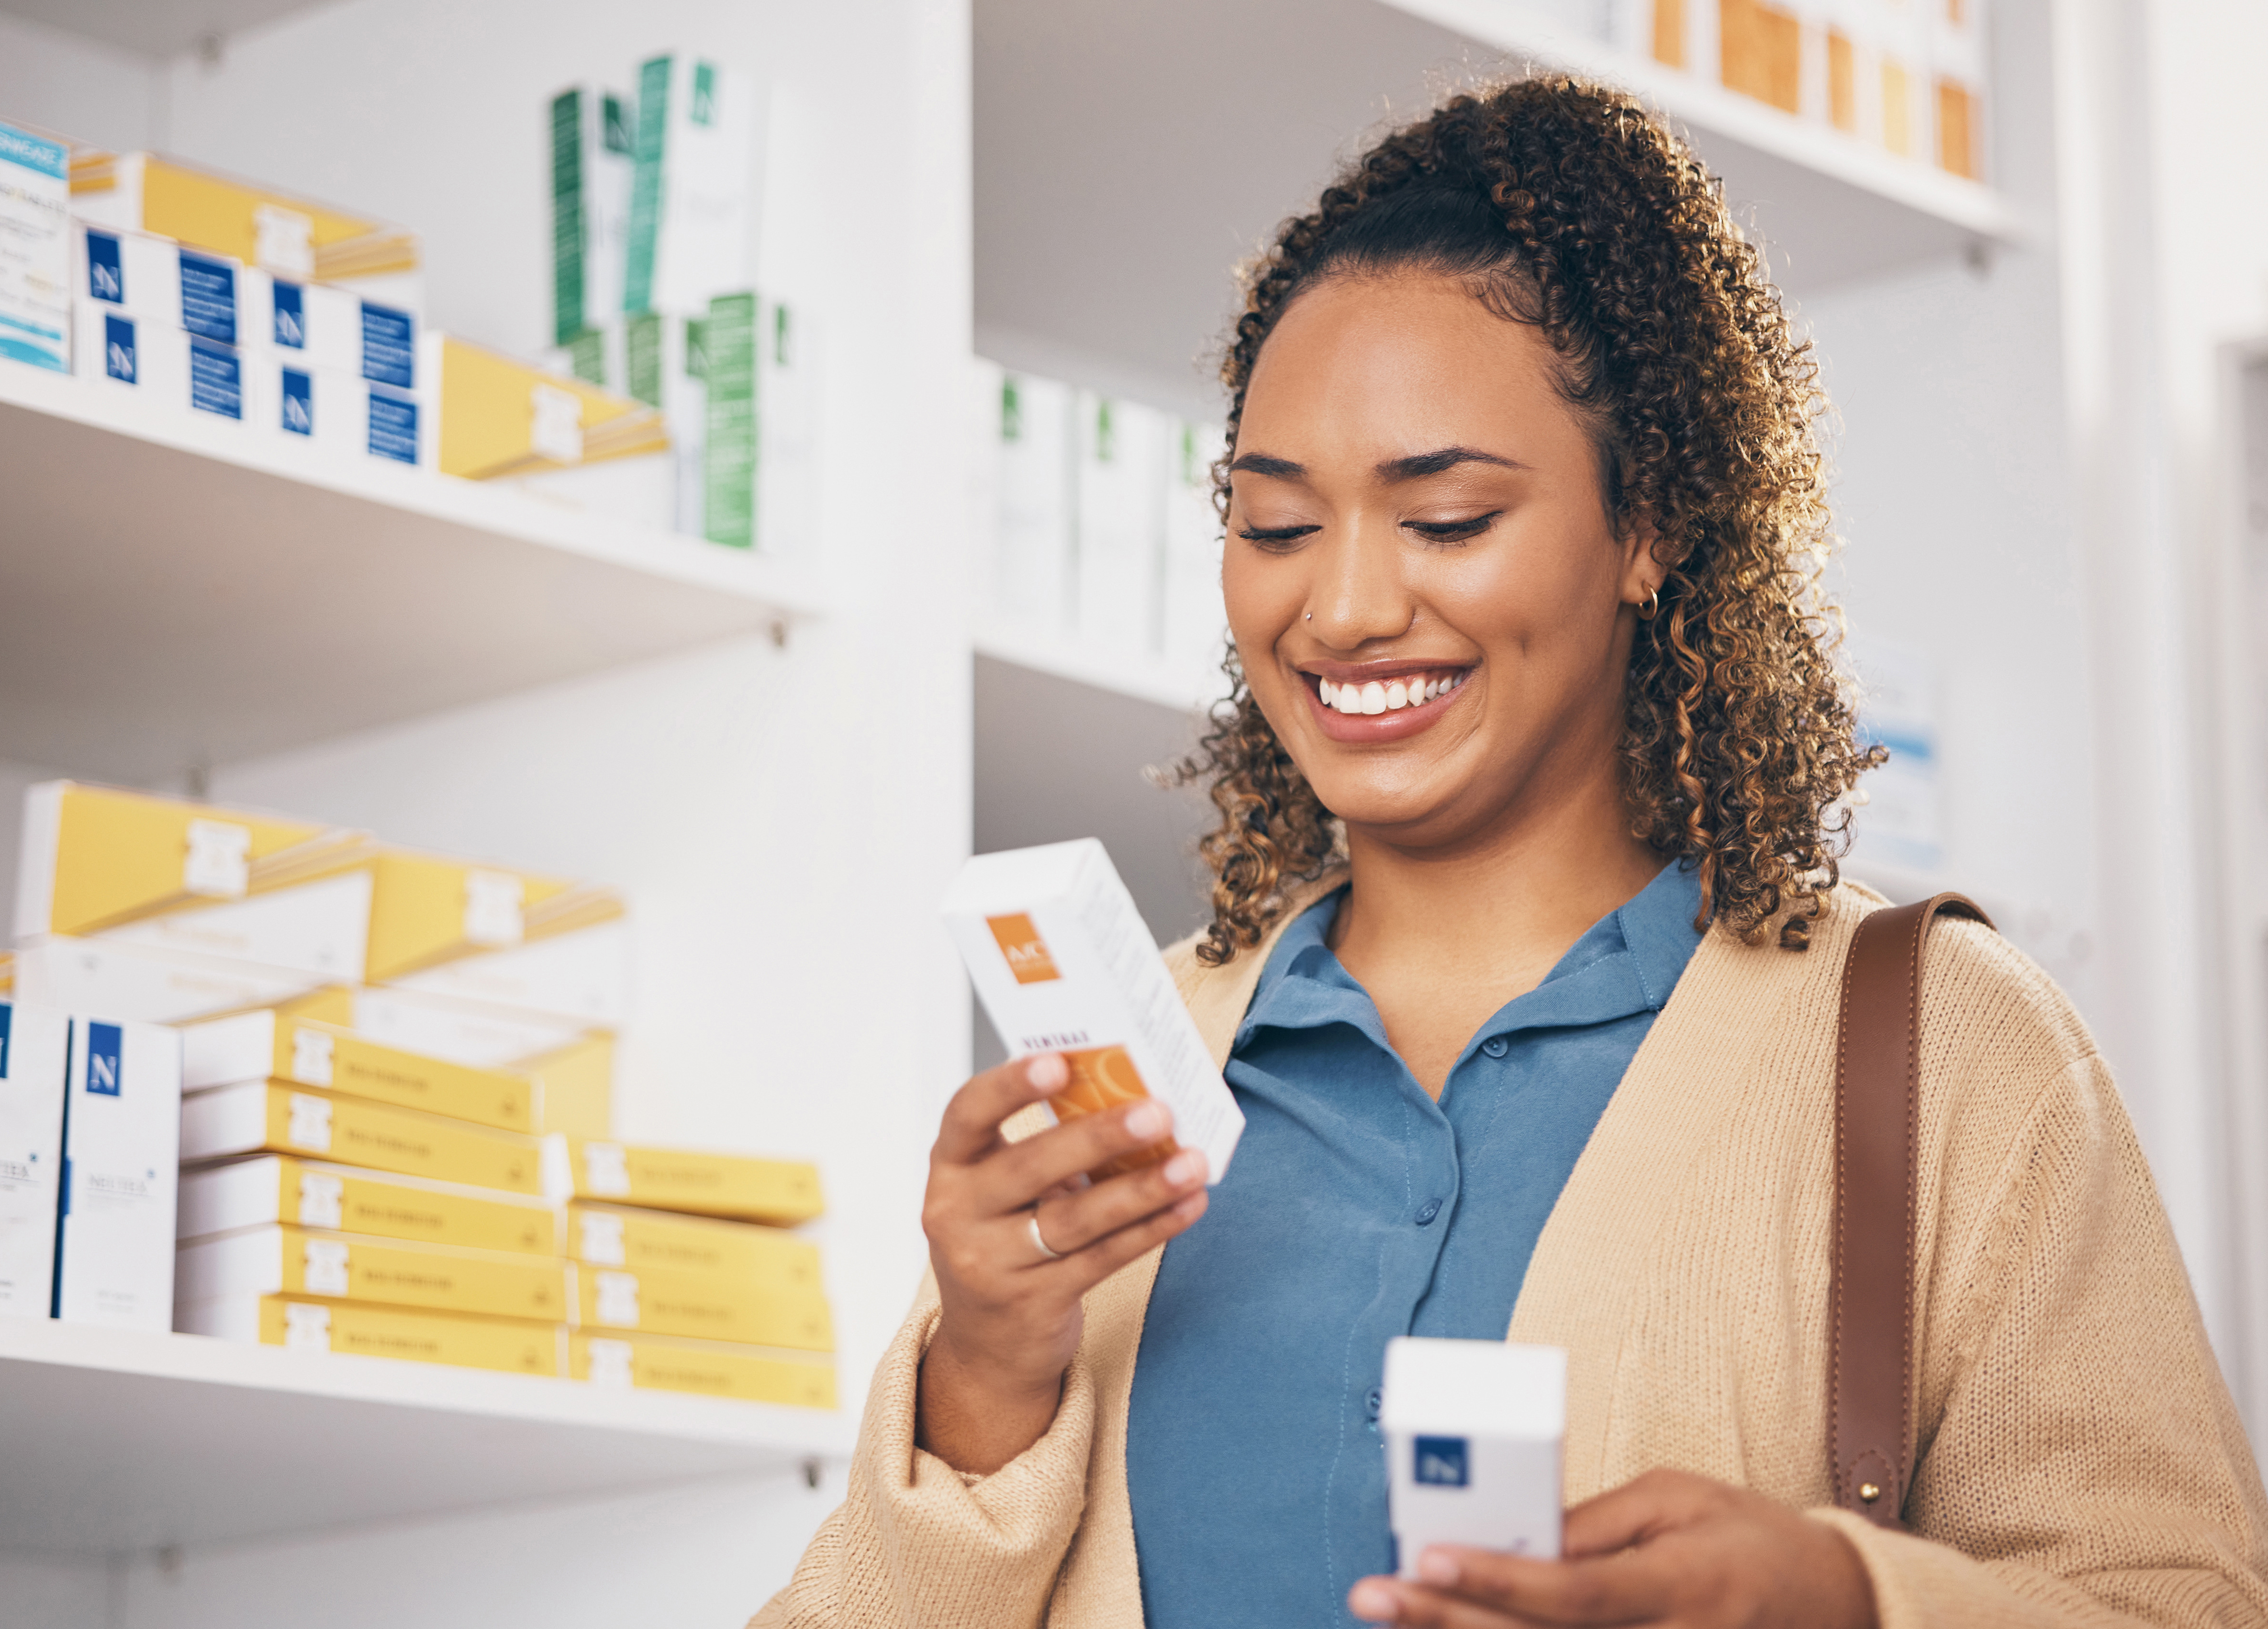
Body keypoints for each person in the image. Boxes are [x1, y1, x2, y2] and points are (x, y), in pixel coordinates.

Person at [755, 75, 2268, 1629]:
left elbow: (2187, 1605)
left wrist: (1842, 1597)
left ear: (1649, 526)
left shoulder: (1944, 1048)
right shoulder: (1148, 1075)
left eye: (1449, 517)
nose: (1338, 609)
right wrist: (981, 1388)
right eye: (1276, 528)